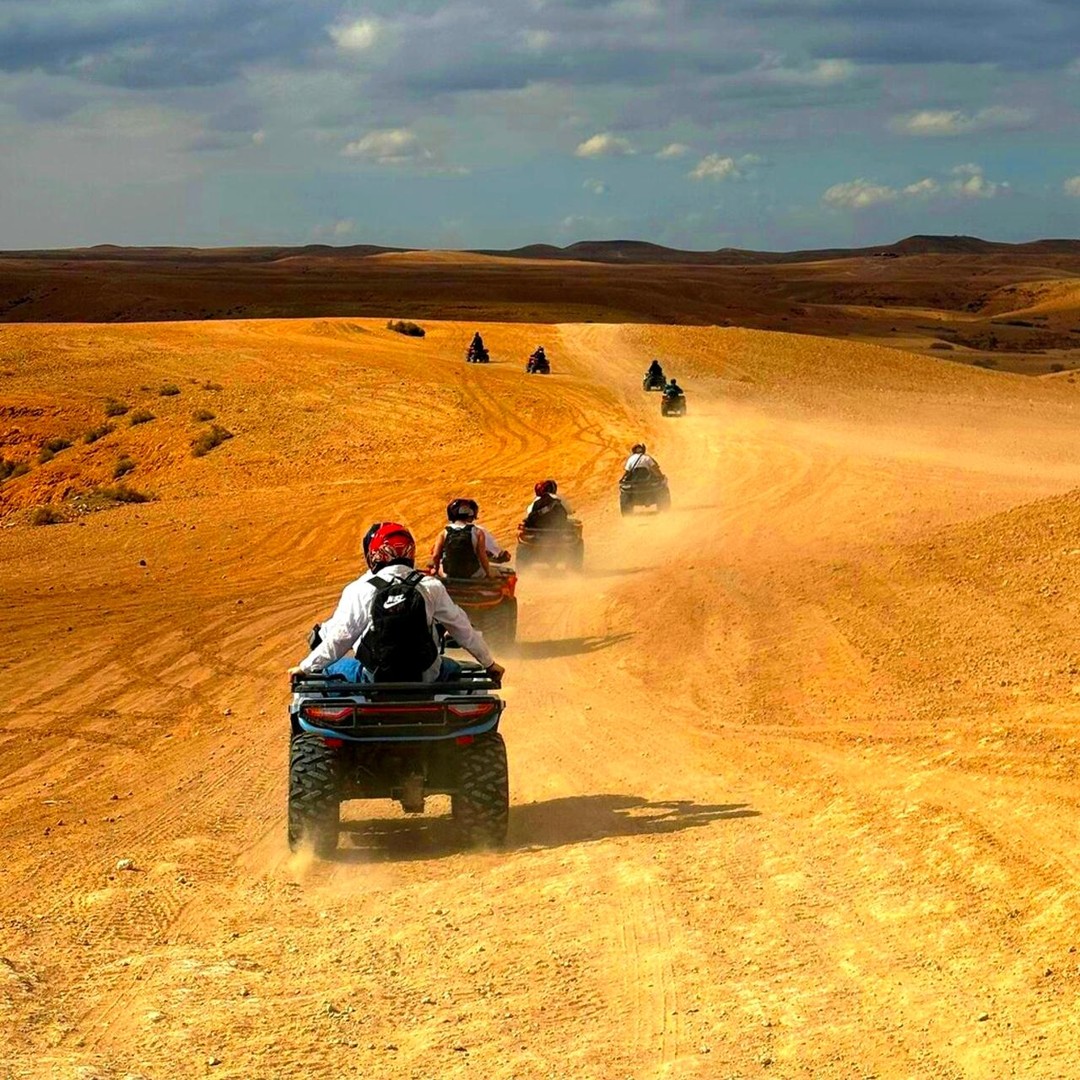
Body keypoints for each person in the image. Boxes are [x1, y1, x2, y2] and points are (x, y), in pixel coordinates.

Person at [290, 522, 504, 684]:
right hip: (426, 676)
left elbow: (341, 638)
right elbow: (462, 628)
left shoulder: (360, 589)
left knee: (329, 670)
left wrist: (305, 667)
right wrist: (489, 664)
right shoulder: (431, 586)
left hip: (375, 679)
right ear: (410, 552)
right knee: (458, 670)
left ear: (374, 555)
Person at [430, 498, 509, 579]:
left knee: (436, 567)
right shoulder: (478, 532)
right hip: (473, 575)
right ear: (470, 514)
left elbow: (435, 555)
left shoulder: (443, 532)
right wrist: (488, 573)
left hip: (448, 575)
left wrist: (436, 569)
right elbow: (482, 556)